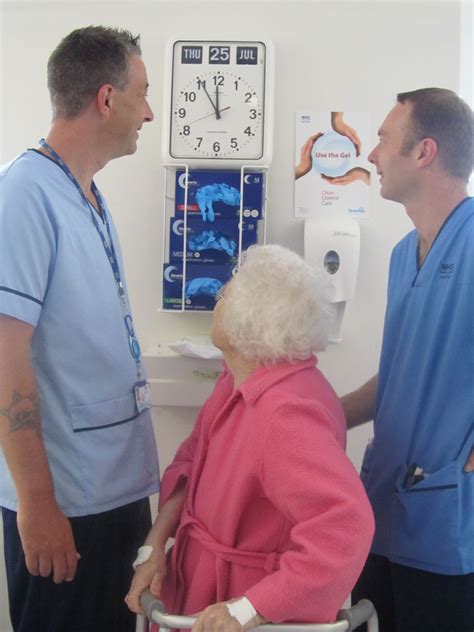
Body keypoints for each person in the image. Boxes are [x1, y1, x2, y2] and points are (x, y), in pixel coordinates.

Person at [0, 26, 159, 632]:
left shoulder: (86, 195)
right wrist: (38, 504)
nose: (148, 112)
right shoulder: (24, 195)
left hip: (113, 492)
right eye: (141, 94)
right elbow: (4, 356)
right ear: (106, 98)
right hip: (66, 504)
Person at [126, 244, 375, 630]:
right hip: (198, 589)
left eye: (228, 291)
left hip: (243, 611)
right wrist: (154, 547)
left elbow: (345, 528)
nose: (218, 296)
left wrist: (248, 609)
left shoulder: (285, 414)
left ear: (252, 319)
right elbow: (190, 465)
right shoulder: (237, 381)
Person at [341, 88, 474, 632]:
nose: (370, 156)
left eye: (383, 141)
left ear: (424, 153)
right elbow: (399, 377)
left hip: (447, 522)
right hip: (383, 512)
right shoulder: (403, 255)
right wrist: (311, 412)